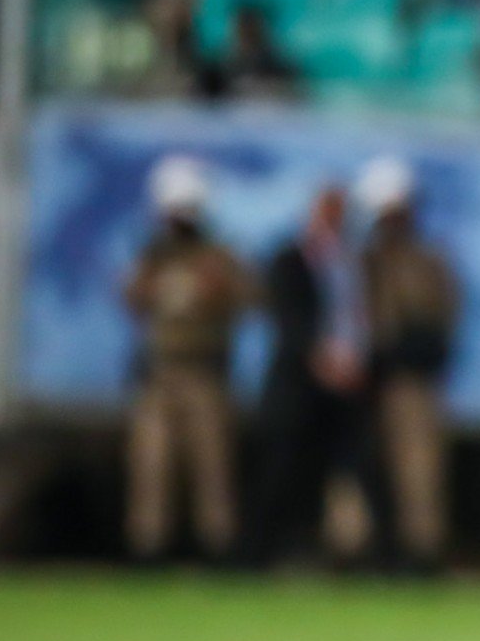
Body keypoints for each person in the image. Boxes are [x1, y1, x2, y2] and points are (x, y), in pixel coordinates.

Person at [245, 185, 391, 568]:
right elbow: (289, 320)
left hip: (348, 391)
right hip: (297, 388)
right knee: (281, 472)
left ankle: (358, 559)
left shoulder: (358, 262)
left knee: (353, 477)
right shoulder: (288, 260)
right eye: (327, 212)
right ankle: (258, 555)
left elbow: (366, 319)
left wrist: (358, 365)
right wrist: (321, 359)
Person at [123, 155, 251, 564]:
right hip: (160, 371)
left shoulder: (218, 256)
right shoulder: (152, 256)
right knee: (152, 465)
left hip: (204, 371)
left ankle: (218, 547)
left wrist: (216, 288)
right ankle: (149, 547)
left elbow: (246, 296)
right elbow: (131, 298)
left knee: (211, 467)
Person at [357, 157, 460, 574]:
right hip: (365, 383)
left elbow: (441, 324)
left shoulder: (429, 262)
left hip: (412, 381)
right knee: (358, 471)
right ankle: (360, 549)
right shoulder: (360, 260)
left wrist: (406, 352)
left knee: (419, 471)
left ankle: (422, 552)